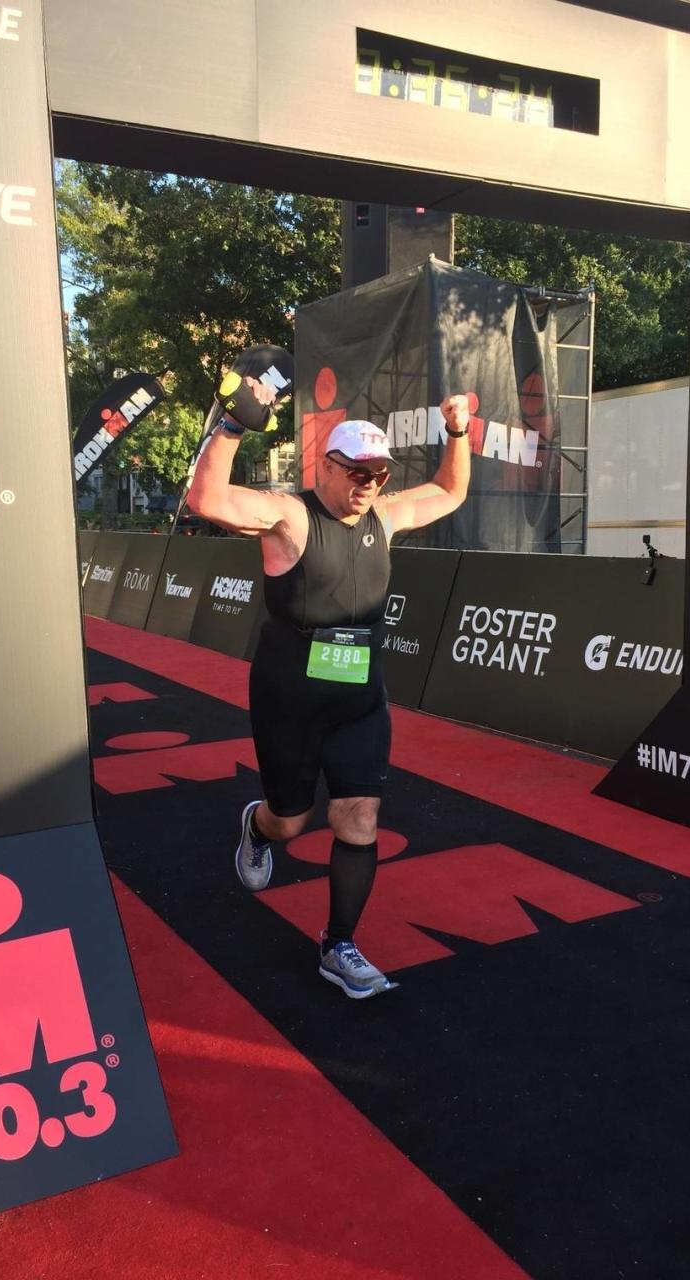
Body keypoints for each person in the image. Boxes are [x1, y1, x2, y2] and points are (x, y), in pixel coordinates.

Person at [187, 379, 470, 998]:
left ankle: (338, 944)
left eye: (380, 474)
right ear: (328, 466)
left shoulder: (385, 517)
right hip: (288, 699)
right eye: (358, 473)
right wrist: (232, 426)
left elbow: (450, 490)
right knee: (293, 822)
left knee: (360, 816)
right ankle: (257, 829)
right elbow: (206, 498)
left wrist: (457, 432)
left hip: (358, 701)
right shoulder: (290, 515)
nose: (369, 485)